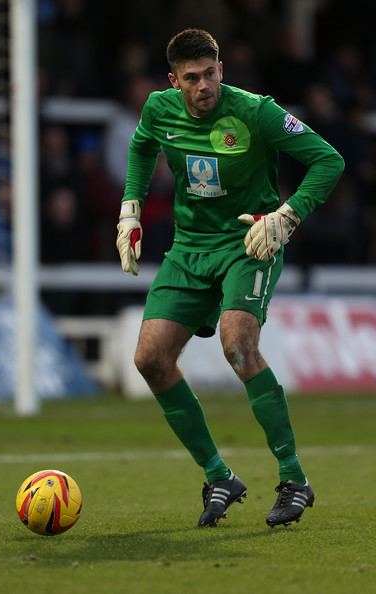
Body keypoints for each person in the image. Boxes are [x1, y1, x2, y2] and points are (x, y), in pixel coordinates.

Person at [116, 28, 345, 528]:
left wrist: (286, 217)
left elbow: (329, 160)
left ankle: (294, 479)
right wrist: (130, 210)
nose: (204, 86)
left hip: (250, 241)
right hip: (189, 248)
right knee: (149, 358)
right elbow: (140, 150)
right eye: (192, 78)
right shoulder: (159, 109)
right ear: (174, 82)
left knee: (238, 342)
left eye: (211, 74)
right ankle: (219, 475)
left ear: (222, 70)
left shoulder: (255, 111)